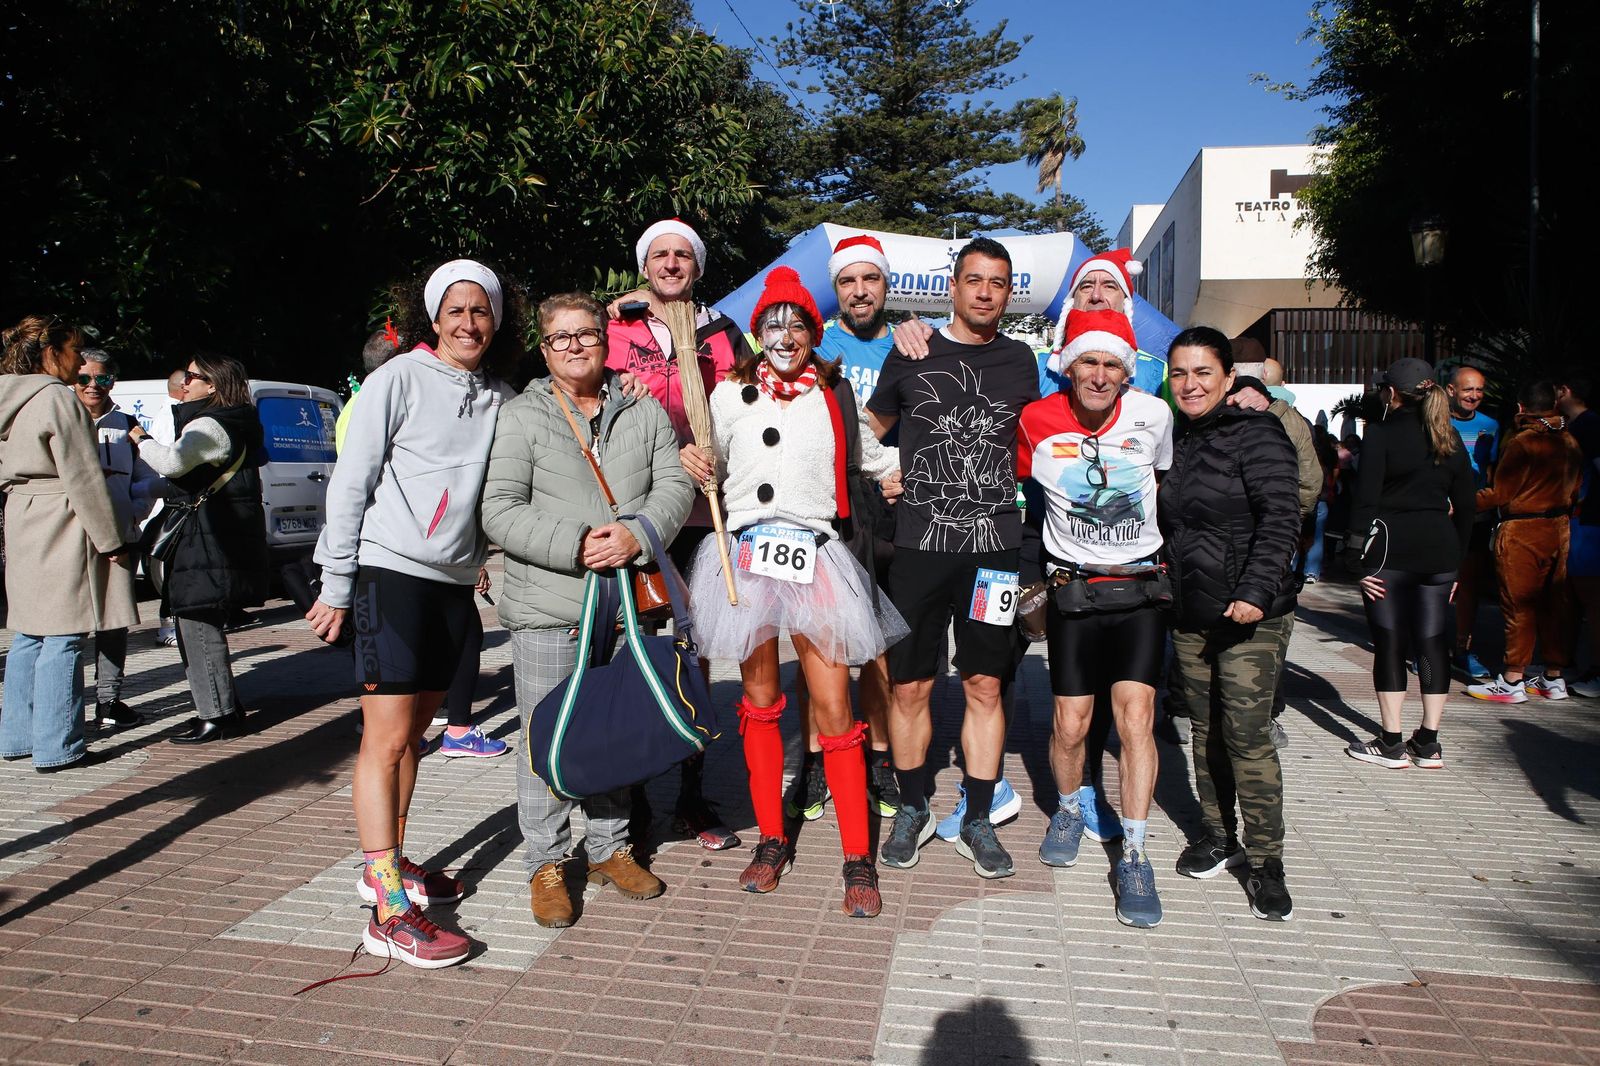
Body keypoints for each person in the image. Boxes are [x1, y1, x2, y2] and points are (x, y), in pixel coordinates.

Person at [307, 259, 519, 968]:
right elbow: (352, 479)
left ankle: (389, 862)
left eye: (480, 311)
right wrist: (337, 581)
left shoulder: (500, 396)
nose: (469, 323)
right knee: (387, 737)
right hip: (389, 574)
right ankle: (387, 909)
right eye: (456, 310)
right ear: (435, 318)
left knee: (416, 737)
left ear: (495, 321)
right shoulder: (398, 378)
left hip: (453, 585)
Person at [688, 268, 904, 915]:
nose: (785, 336)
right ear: (757, 333)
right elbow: (708, 459)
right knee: (759, 702)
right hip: (745, 557)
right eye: (773, 324)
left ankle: (857, 854)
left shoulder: (833, 393)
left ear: (814, 332)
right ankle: (772, 839)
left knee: (834, 706)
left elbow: (871, 455)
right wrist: (692, 461)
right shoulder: (727, 395)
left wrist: (913, 470)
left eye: (798, 324)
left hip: (814, 554)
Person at [480, 291, 693, 929]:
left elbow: (675, 484)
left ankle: (609, 847)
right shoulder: (521, 416)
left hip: (626, 604)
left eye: (587, 334)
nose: (575, 346)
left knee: (613, 731)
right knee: (547, 735)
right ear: (544, 349)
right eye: (561, 337)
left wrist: (637, 533)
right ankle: (546, 861)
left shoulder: (643, 411)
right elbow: (500, 509)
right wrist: (577, 545)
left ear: (606, 340)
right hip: (552, 604)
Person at [866, 236, 1041, 879]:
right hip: (919, 549)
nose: (986, 293)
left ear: (1009, 292)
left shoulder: (1022, 360)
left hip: (994, 553)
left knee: (985, 684)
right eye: (975, 280)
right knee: (910, 684)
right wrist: (882, 472)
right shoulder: (912, 350)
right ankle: (913, 806)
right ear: (953, 287)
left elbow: (1052, 429)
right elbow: (867, 431)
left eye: (998, 283)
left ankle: (976, 816)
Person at [1018, 309, 1172, 928]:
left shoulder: (1153, 415)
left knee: (1137, 719)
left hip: (1140, 590)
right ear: (1068, 366)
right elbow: (1014, 495)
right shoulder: (1036, 420)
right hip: (1073, 593)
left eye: (1112, 364)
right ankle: (1068, 809)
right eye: (1089, 361)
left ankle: (1134, 853)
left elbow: (1164, 480)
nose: (1101, 375)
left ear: (1126, 373)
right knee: (1071, 724)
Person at [605, 218, 746, 851]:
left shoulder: (721, 331)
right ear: (644, 266)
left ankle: (691, 793)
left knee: (697, 652)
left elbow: (743, 409)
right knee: (635, 652)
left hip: (701, 515)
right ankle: (632, 802)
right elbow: (586, 399)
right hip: (635, 514)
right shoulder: (615, 326)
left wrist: (710, 451)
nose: (670, 263)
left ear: (698, 267)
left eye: (682, 255)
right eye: (659, 254)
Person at [1160, 327, 1300, 922]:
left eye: (1203, 373)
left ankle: (1267, 861)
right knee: (1204, 730)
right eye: (1180, 373)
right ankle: (1219, 835)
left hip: (1249, 616)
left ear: (1227, 377)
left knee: (1246, 734)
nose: (1190, 384)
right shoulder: (1175, 435)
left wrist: (1255, 591)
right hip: (1191, 611)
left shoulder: (1257, 430)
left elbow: (1282, 516)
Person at [786, 234, 905, 824]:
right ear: (835, 290)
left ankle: (879, 760)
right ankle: (812, 760)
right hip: (824, 509)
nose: (860, 291)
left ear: (886, 285)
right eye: (848, 281)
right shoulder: (811, 344)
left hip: (890, 505)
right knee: (818, 642)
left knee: (879, 645)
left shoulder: (913, 344)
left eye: (870, 279)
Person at [1, 316, 133, 772]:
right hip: (62, 515)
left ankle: (17, 736)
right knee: (64, 634)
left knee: (28, 632)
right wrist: (111, 539)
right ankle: (59, 746)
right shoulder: (57, 398)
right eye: (75, 350)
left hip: (22, 512)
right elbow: (83, 477)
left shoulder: (9, 397)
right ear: (51, 351)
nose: (79, 363)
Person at [129, 353, 268, 744]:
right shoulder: (235, 419)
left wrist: (140, 438)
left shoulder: (210, 423)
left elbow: (173, 463)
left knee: (196, 624)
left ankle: (217, 716)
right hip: (218, 536)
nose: (184, 382)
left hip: (205, 540)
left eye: (192, 376)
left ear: (213, 383)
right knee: (199, 622)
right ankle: (222, 707)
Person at [1343, 358, 1474, 769]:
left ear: (1391, 393)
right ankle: (1429, 741)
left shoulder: (1380, 433)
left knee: (1391, 641)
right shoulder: (1448, 434)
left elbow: (1365, 499)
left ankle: (1391, 741)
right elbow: (1467, 505)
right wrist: (1459, 562)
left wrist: (1354, 559)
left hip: (1390, 549)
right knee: (1433, 640)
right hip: (1441, 549)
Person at [1466, 380, 1583, 704]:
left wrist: (1462, 502)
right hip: (1559, 528)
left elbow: (1500, 493)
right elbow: (1577, 489)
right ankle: (1553, 676)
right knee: (1554, 604)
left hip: (1522, 531)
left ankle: (1512, 678)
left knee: (1518, 606)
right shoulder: (1570, 440)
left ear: (1520, 407)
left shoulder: (1523, 442)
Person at [74, 349, 164, 730]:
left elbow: (149, 476)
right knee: (70, 628)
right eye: (84, 378)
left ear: (113, 381)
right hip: (73, 542)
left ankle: (108, 701)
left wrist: (135, 511)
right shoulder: (65, 419)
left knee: (114, 624)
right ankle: (66, 708)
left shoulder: (127, 425)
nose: (93, 386)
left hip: (120, 541)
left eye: (102, 378)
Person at [1447, 364, 1499, 679]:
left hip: (1475, 517)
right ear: (1451, 390)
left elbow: (1492, 473)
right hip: (1439, 516)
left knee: (1468, 585)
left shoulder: (1491, 425)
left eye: (1479, 389)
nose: (1474, 395)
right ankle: (1427, 648)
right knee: (1433, 585)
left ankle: (1462, 649)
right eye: (1468, 389)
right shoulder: (1435, 421)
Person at [1556, 369, 1600, 697]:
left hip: (1589, 520)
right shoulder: (1578, 424)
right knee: (1571, 593)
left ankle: (1596, 672)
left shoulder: (1589, 425)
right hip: (1578, 520)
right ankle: (1564, 663)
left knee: (1591, 596)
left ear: (1565, 390)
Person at [155, 368, 190, 648]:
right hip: (173, 500)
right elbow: (169, 458)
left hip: (174, 498)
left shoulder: (173, 412)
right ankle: (168, 624)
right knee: (172, 568)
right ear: (181, 389)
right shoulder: (171, 415)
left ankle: (173, 622)